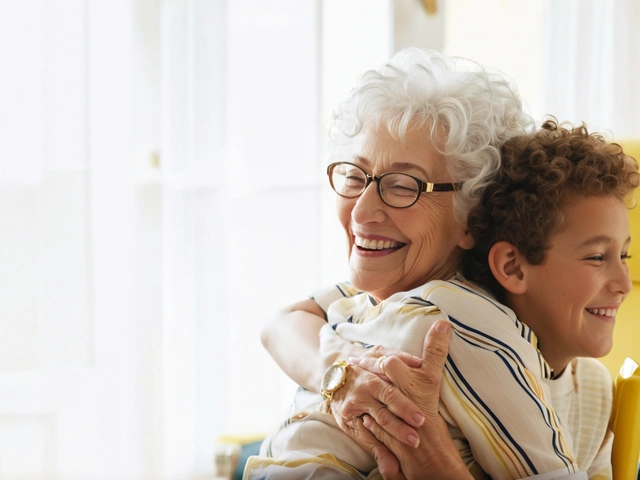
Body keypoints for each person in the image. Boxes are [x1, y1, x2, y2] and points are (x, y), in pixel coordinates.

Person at [244, 46, 530, 479]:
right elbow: (280, 324)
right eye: (355, 176)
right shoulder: (373, 298)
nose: (360, 212)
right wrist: (339, 374)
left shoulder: (455, 327)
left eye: (402, 186)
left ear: (472, 216)